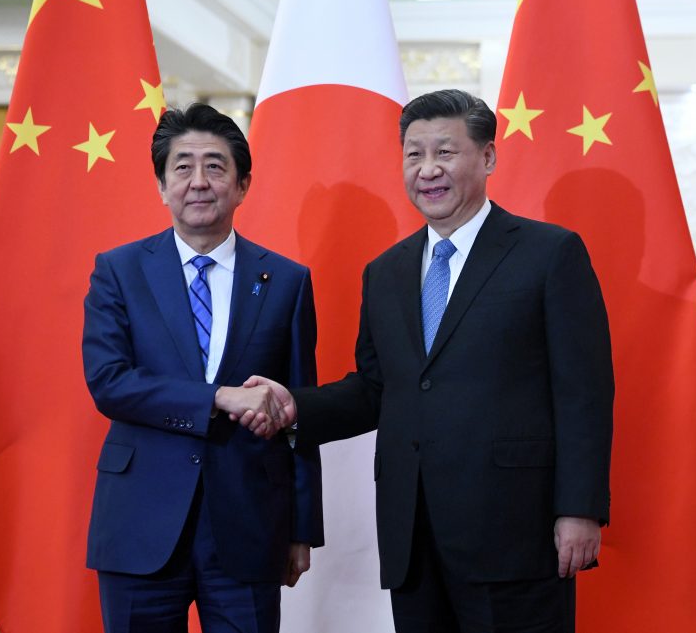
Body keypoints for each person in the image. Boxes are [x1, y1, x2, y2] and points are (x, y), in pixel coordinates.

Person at [248, 89, 613, 633]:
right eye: (413, 154)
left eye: (444, 152)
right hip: (412, 536)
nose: (427, 170)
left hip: (515, 533)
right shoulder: (386, 272)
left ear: (487, 157)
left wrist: (579, 508)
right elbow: (377, 390)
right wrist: (292, 406)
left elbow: (583, 392)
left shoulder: (549, 253)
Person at [81, 103, 323, 633]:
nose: (198, 182)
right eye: (182, 167)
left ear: (242, 185)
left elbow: (298, 409)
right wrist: (218, 398)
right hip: (140, 524)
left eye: (215, 166)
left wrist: (302, 527)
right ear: (161, 186)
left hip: (250, 524)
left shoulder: (286, 281)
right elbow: (109, 383)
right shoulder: (118, 271)